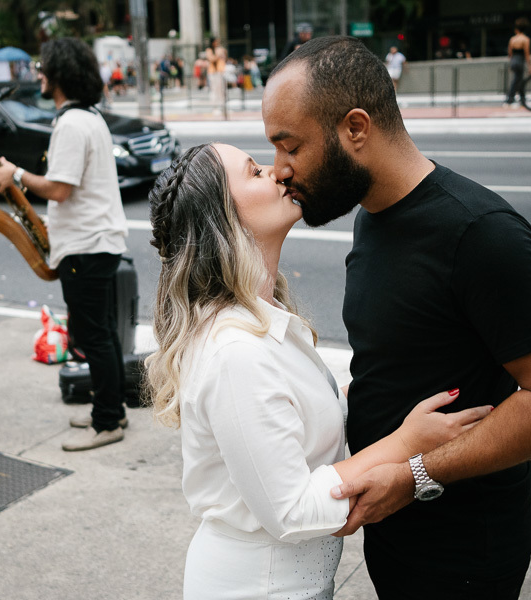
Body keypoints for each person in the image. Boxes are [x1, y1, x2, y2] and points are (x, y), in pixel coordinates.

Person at [262, 36, 531, 599]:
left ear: (355, 128)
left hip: (464, 551)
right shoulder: (372, 215)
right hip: (395, 531)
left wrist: (417, 475)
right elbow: (400, 361)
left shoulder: (481, 233)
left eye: (289, 146)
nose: (279, 171)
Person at [147, 143, 492, 599]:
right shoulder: (235, 352)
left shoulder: (263, 318)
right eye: (254, 171)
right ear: (223, 221)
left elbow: (292, 427)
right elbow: (291, 511)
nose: (275, 172)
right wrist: (408, 443)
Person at [0, 38, 128, 452]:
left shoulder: (71, 124)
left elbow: (60, 190)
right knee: (101, 331)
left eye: (44, 67)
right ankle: (112, 408)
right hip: (96, 241)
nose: (39, 74)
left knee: (91, 335)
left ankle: (107, 423)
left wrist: (15, 174)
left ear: (60, 74)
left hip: (86, 245)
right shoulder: (91, 117)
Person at [505, 18, 531, 107]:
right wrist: (530, 66)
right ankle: (510, 98)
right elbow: (527, 54)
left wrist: (511, 63)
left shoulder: (512, 39)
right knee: (517, 80)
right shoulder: (525, 39)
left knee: (518, 80)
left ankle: (521, 99)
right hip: (520, 60)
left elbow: (510, 53)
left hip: (514, 60)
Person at [205, 37, 227, 114]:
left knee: (222, 90)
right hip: (213, 73)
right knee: (215, 90)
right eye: (216, 42)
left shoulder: (219, 49)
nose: (217, 43)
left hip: (220, 72)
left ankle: (223, 107)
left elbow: (223, 59)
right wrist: (219, 55)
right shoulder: (209, 50)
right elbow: (211, 59)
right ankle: (215, 107)